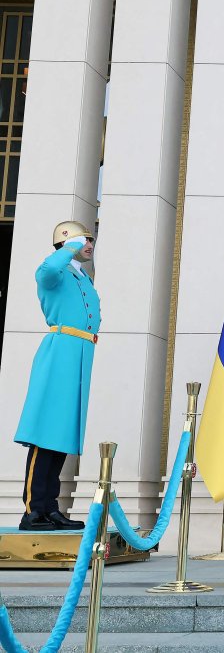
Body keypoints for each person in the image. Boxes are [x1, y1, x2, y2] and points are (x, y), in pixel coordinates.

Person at [15, 221, 100, 532]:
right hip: (60, 351)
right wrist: (70, 247)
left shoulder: (81, 276)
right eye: (82, 240)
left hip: (79, 354)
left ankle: (51, 508)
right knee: (45, 433)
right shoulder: (54, 271)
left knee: (62, 434)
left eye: (90, 240)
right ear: (66, 244)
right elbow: (48, 269)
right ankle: (33, 511)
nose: (89, 244)